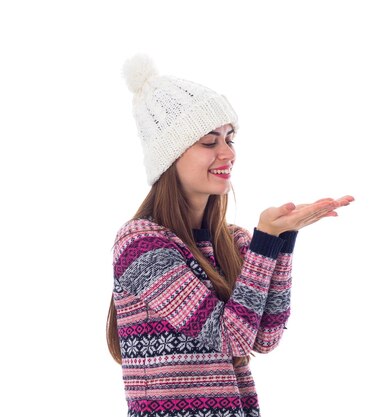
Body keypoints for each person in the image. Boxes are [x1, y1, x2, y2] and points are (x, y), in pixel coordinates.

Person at [106, 53, 354, 417]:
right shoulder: (140, 244)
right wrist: (266, 241)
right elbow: (229, 337)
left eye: (230, 139)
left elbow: (265, 338)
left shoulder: (232, 241)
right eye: (209, 142)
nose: (227, 153)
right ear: (169, 158)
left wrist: (280, 241)